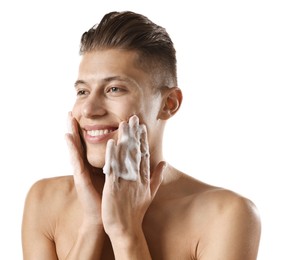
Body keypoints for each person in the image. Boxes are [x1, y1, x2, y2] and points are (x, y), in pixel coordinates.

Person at [21, 11, 261, 259]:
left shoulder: (226, 215)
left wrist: (126, 232)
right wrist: (93, 224)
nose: (89, 110)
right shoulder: (44, 201)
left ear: (169, 103)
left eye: (114, 89)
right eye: (82, 91)